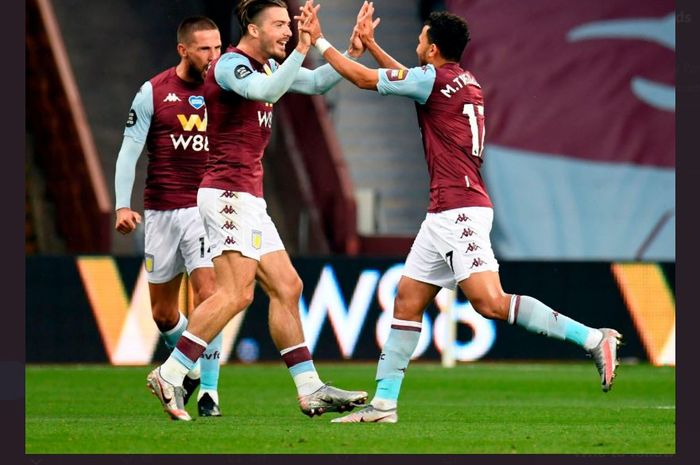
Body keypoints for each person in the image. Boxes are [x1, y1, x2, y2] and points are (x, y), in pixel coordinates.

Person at [298, 2, 622, 423]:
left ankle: (593, 338)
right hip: (444, 213)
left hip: (460, 210)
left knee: (489, 302)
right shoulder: (463, 80)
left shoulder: (433, 80)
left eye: (420, 39)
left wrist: (320, 39)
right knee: (408, 300)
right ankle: (383, 405)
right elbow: (410, 82)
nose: (417, 43)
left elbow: (363, 79)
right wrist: (375, 45)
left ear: (432, 49)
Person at [145, 0, 372, 421]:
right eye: (280, 25)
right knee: (236, 292)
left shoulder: (267, 68)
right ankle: (170, 372)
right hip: (227, 194)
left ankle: (310, 389)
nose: (288, 31)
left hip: (250, 197)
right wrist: (305, 45)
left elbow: (318, 83)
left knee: (288, 287)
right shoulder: (231, 65)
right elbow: (268, 92)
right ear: (252, 28)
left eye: (290, 25)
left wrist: (352, 54)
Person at [114, 16, 225, 417]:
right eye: (204, 49)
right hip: (160, 211)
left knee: (210, 296)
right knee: (163, 314)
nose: (213, 56)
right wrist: (122, 205)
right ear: (183, 50)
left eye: (217, 47)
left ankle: (210, 393)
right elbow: (129, 149)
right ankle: (190, 367)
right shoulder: (153, 92)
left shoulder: (227, 87)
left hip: (205, 207)